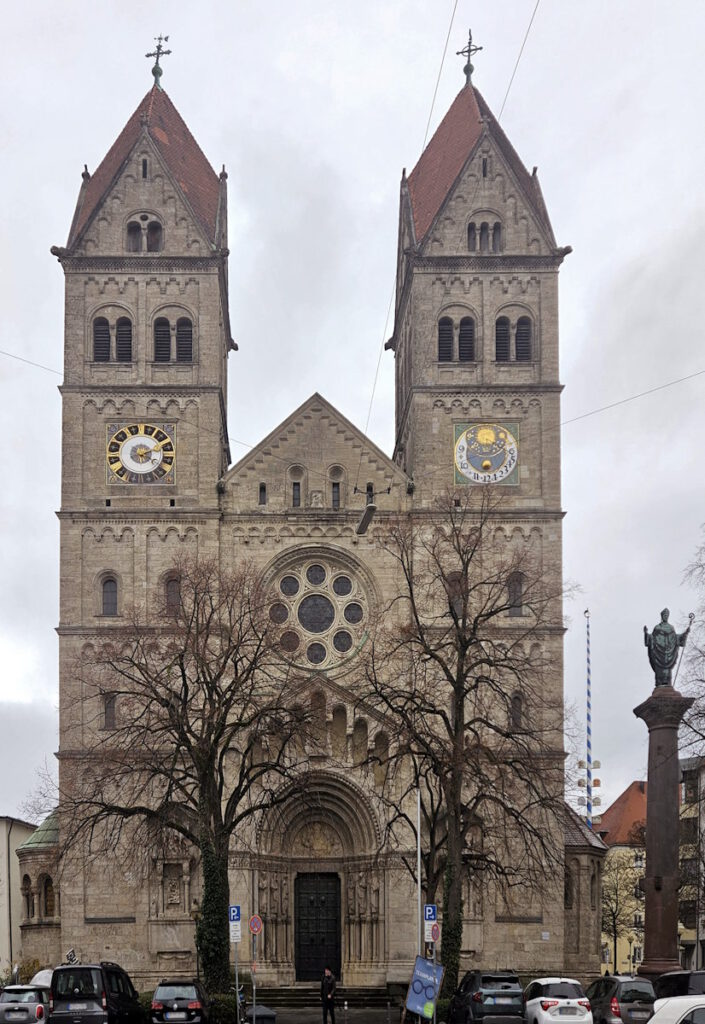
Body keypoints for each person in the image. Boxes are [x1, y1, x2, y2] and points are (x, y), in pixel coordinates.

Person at [643, 608, 692, 687]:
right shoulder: (657, 627)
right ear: (662, 616)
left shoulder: (671, 628)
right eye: (664, 615)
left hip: (668, 655)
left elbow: (676, 638)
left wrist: (685, 633)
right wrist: (646, 634)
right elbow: (652, 638)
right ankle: (659, 685)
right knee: (659, 672)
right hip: (658, 654)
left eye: (667, 615)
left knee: (667, 673)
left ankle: (667, 686)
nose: (666, 617)